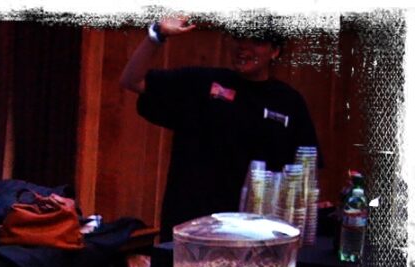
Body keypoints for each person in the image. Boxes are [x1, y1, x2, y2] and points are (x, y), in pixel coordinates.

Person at [120, 18, 319, 239]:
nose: (244, 47)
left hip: (256, 236)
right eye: (239, 38)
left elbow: (306, 171)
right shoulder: (202, 83)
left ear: (275, 51)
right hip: (192, 231)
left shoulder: (289, 102)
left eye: (257, 41)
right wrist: (156, 35)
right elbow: (132, 80)